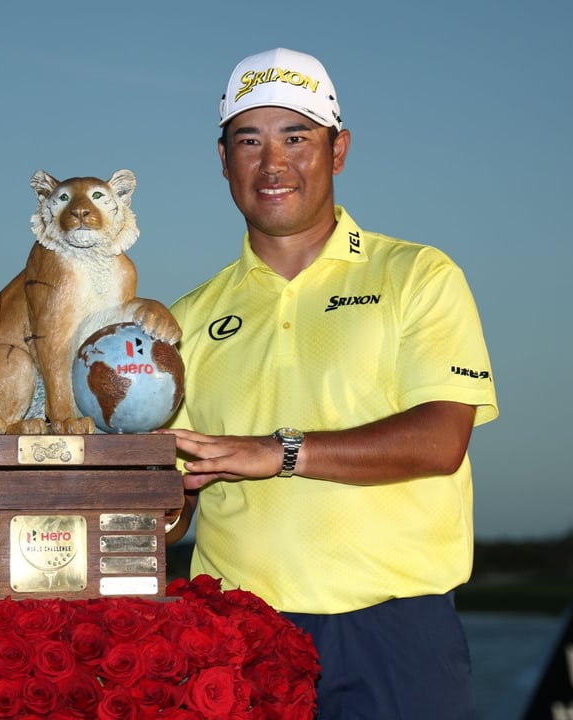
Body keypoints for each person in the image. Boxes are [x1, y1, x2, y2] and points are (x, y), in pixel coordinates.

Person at [163, 48, 499, 719]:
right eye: (249, 141)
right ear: (223, 158)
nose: (273, 163)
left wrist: (279, 451)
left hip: (397, 632)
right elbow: (172, 520)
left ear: (338, 149)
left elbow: (441, 440)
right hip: (237, 635)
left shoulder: (419, 276)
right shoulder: (184, 319)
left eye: (297, 137)